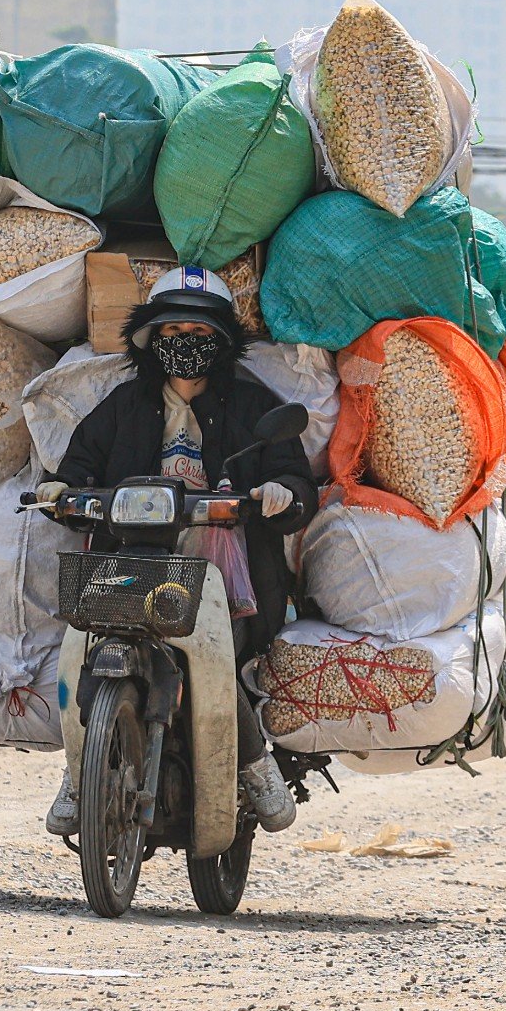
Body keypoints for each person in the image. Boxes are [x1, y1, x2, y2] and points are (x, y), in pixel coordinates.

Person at [36, 267, 316, 837]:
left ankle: (256, 765)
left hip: (223, 579)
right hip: (128, 567)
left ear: (220, 341)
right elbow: (77, 468)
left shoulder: (253, 406)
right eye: (172, 330)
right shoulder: (123, 405)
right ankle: (78, 769)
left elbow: (297, 482)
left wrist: (280, 494)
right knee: (80, 650)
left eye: (199, 331)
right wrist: (62, 491)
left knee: (214, 653)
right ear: (152, 340)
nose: (184, 342)